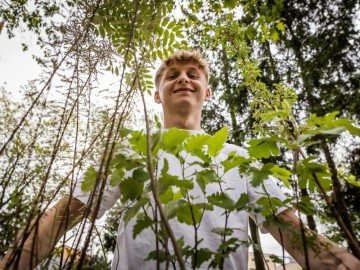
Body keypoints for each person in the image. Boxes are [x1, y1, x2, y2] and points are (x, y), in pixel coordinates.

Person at [1, 50, 359, 270]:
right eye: (172, 76)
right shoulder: (130, 150)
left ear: (208, 92)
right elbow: (67, 212)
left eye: (193, 75)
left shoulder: (238, 157)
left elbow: (292, 230)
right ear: (157, 96)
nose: (183, 79)